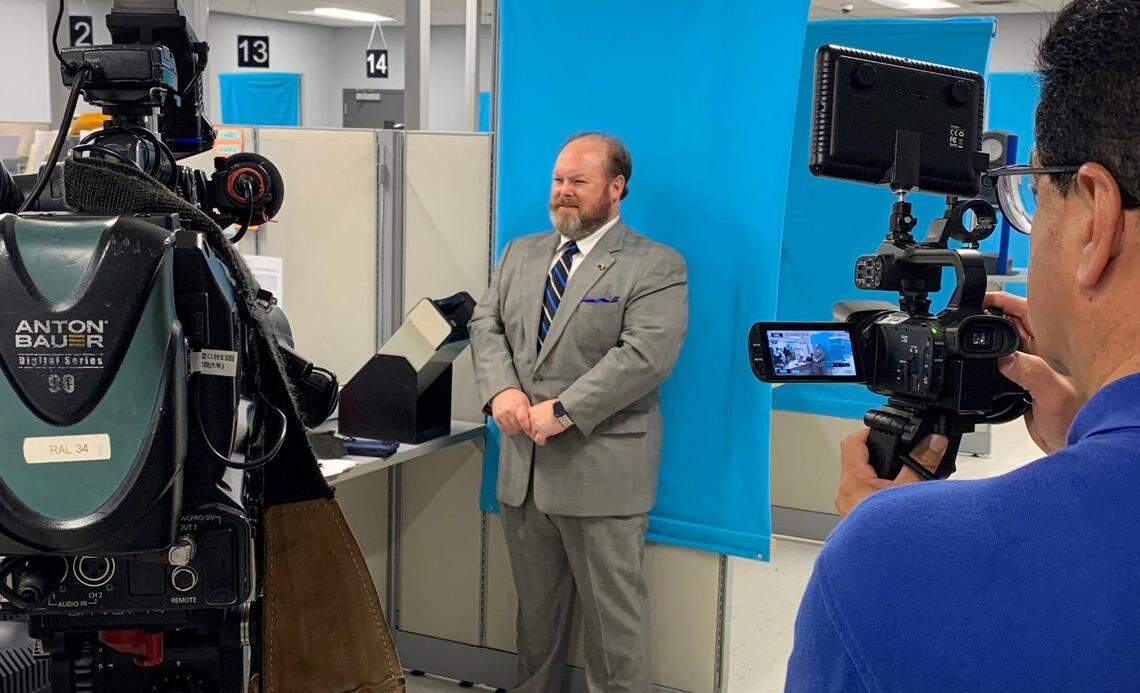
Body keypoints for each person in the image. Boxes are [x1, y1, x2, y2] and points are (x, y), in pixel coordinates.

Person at [786, 0, 1140, 689]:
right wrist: (1086, 435)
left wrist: (876, 537)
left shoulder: (894, 559)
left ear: (1095, 220)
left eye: (1033, 193)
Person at [469, 132, 688, 692]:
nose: (563, 191)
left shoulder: (655, 266)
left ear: (616, 188)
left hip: (601, 475)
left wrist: (564, 410)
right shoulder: (519, 254)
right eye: (558, 180)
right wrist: (501, 392)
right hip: (523, 473)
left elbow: (645, 356)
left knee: (615, 633)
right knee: (536, 625)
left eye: (579, 182)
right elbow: (485, 324)